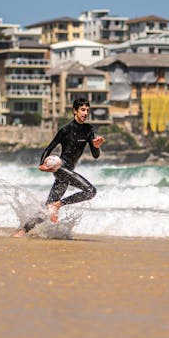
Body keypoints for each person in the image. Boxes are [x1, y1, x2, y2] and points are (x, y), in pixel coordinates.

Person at [13, 97, 105, 236]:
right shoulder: (65, 130)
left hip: (68, 172)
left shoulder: (88, 129)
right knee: (90, 191)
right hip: (60, 169)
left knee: (46, 210)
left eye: (87, 110)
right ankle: (58, 205)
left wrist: (97, 146)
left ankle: (22, 231)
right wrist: (41, 165)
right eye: (82, 110)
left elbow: (95, 155)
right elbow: (49, 148)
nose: (85, 113)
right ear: (74, 111)